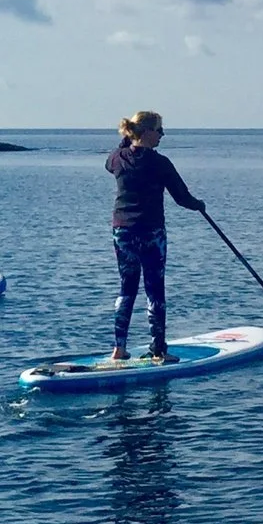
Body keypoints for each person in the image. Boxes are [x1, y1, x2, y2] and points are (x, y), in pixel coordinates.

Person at [105, 109, 205, 362]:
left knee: (126, 288)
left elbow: (113, 159)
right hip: (151, 232)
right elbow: (182, 198)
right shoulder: (160, 163)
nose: (162, 135)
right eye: (159, 130)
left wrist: (129, 139)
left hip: (122, 231)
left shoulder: (117, 158)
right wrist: (199, 205)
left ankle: (119, 348)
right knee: (154, 290)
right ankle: (158, 350)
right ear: (147, 132)